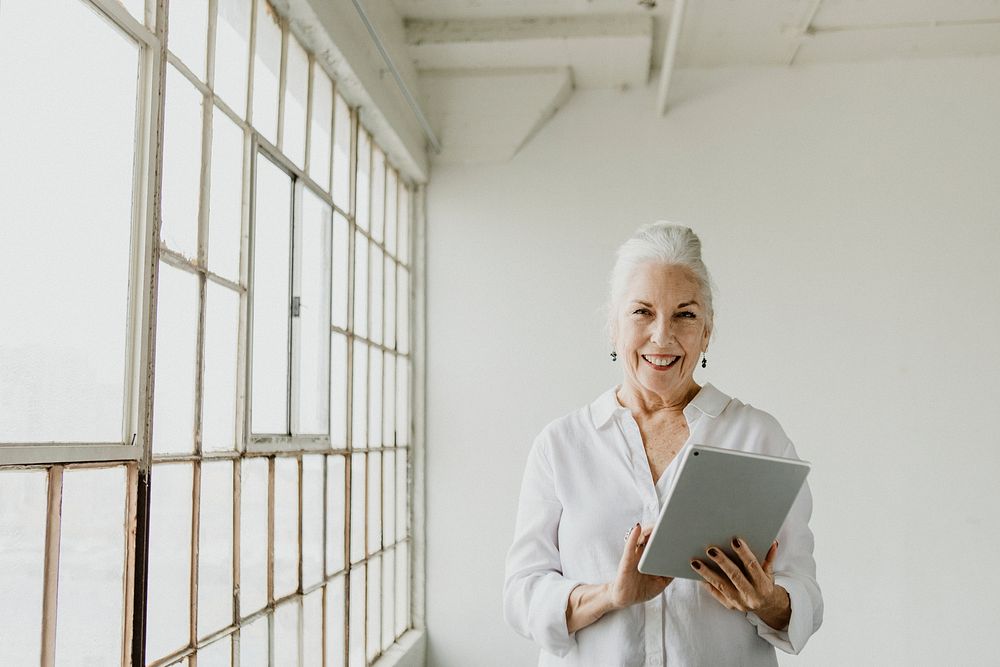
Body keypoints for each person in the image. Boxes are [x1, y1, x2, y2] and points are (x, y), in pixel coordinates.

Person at [503, 223, 823, 666]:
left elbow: (805, 592)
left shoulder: (759, 437)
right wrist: (610, 595)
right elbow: (522, 595)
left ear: (707, 331)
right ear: (614, 327)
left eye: (685, 315)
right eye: (642, 312)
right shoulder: (562, 445)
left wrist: (767, 600)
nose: (662, 335)